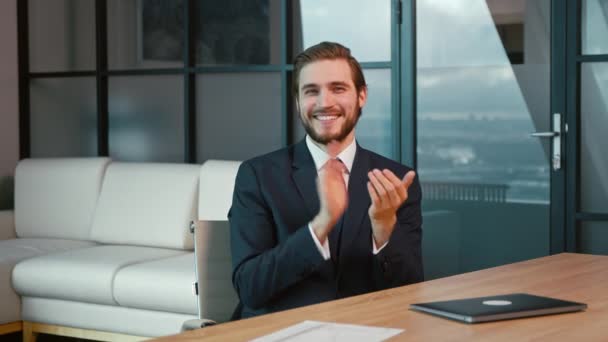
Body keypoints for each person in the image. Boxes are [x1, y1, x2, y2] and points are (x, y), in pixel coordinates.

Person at [229, 41, 423, 319]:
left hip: (368, 329)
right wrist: (321, 225)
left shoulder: (396, 182)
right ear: (297, 102)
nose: (325, 103)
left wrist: (383, 228)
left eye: (338, 88)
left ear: (362, 96)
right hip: (281, 330)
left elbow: (411, 290)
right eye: (311, 91)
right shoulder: (257, 175)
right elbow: (250, 289)